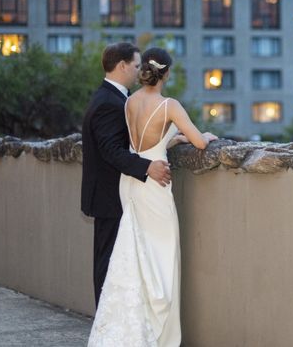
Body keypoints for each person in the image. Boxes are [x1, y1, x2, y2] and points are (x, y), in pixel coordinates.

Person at [89, 46, 218, 347]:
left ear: (145, 70)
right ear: (167, 73)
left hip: (130, 184)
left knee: (135, 254)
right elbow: (200, 142)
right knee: (162, 257)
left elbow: (141, 142)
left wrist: (174, 139)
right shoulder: (170, 105)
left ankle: (134, 329)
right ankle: (159, 334)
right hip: (154, 186)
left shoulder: (129, 101)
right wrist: (202, 137)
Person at [81, 43, 172, 307]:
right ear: (121, 66)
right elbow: (110, 150)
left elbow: (132, 141)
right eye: (135, 65)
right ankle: (105, 326)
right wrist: (148, 167)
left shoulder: (113, 97)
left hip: (113, 195)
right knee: (108, 263)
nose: (139, 70)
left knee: (114, 261)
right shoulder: (109, 102)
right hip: (109, 197)